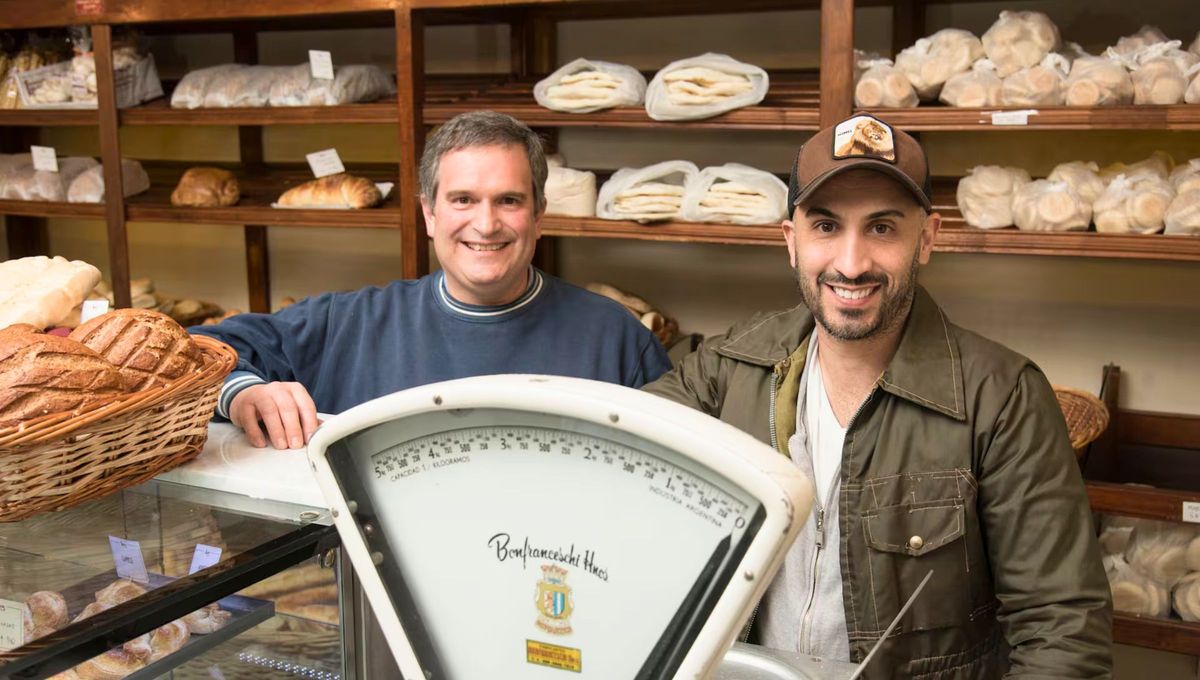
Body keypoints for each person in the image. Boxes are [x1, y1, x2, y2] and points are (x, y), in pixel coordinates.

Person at [644, 114, 1111, 678]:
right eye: (825, 227)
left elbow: (1063, 632)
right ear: (791, 242)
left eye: (882, 228)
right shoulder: (728, 369)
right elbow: (617, 470)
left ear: (928, 238)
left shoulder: (1001, 397)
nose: (851, 263)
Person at [193, 110, 672, 449]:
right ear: (429, 213)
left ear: (539, 214)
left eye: (508, 200)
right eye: (463, 199)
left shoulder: (616, 340)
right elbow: (189, 351)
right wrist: (244, 394)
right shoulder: (349, 324)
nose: (486, 225)